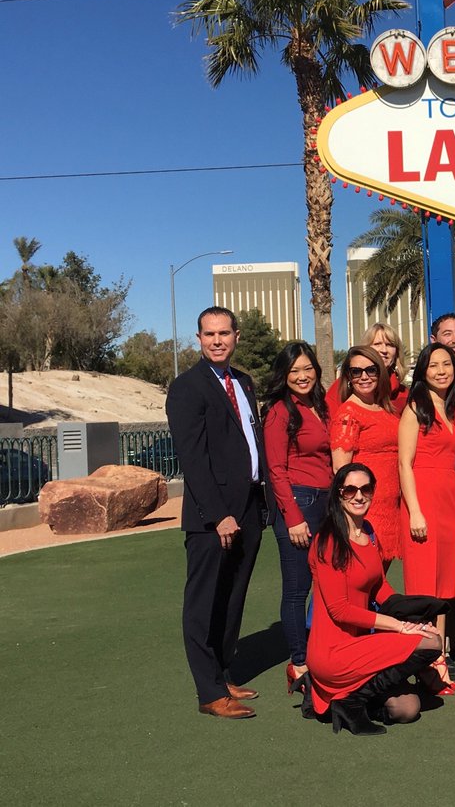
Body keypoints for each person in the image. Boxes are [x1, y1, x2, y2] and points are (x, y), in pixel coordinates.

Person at [167, 306, 273, 719]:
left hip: (249, 506)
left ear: (236, 337)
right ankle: (209, 693)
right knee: (204, 602)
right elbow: (193, 460)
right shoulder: (187, 387)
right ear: (198, 339)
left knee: (232, 598)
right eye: (209, 334)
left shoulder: (242, 382)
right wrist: (218, 515)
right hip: (212, 515)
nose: (216, 340)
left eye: (224, 333)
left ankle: (222, 672)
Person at [307, 463, 444, 735]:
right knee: (432, 642)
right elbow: (340, 611)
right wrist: (398, 627)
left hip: (361, 645)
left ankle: (347, 698)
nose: (359, 496)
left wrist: (414, 617)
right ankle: (349, 701)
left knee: (408, 708)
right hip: (333, 652)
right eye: (350, 490)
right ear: (338, 494)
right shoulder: (329, 542)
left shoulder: (366, 532)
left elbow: (380, 587)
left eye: (365, 489)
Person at [262, 341, 333, 697]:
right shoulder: (279, 411)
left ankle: (322, 654)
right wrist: (292, 518)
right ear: (283, 376)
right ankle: (300, 662)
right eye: (294, 371)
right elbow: (275, 470)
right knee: (296, 590)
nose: (302, 376)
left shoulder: (319, 405)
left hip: (326, 502)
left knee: (325, 584)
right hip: (299, 504)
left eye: (307, 369)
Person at [398, 343, 455, 690]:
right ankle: (423, 664)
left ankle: (438, 659)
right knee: (423, 589)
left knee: (443, 590)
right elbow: (404, 464)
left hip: (449, 507)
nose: (441, 370)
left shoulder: (453, 408)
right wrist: (415, 511)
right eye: (433, 365)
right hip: (422, 504)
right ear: (422, 372)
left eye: (447, 364)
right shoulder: (415, 407)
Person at [330, 347, 403, 562]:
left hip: (390, 506)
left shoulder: (385, 408)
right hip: (367, 508)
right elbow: (340, 470)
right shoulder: (348, 413)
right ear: (348, 377)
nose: (364, 377)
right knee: (363, 578)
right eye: (356, 372)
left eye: (371, 370)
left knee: (378, 579)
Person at [326, 322, 407, 415]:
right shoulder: (344, 386)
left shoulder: (403, 393)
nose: (384, 350)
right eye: (377, 344)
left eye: (389, 345)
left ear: (396, 352)